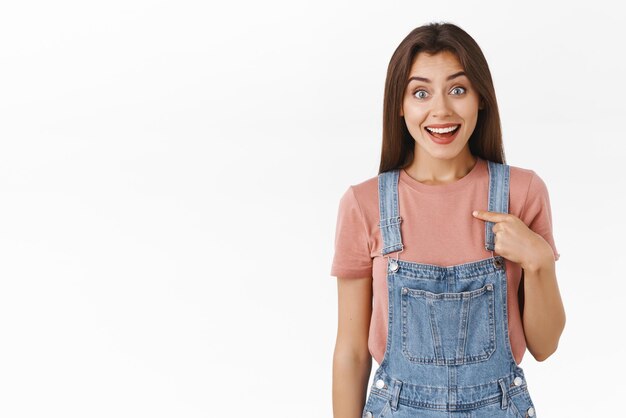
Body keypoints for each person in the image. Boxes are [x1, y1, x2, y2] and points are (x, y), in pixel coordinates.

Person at [330, 22, 566, 418]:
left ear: (480, 98)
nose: (440, 110)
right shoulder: (364, 203)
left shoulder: (522, 193)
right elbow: (351, 352)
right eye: (420, 92)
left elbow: (545, 346)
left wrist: (538, 261)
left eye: (458, 89)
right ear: (400, 105)